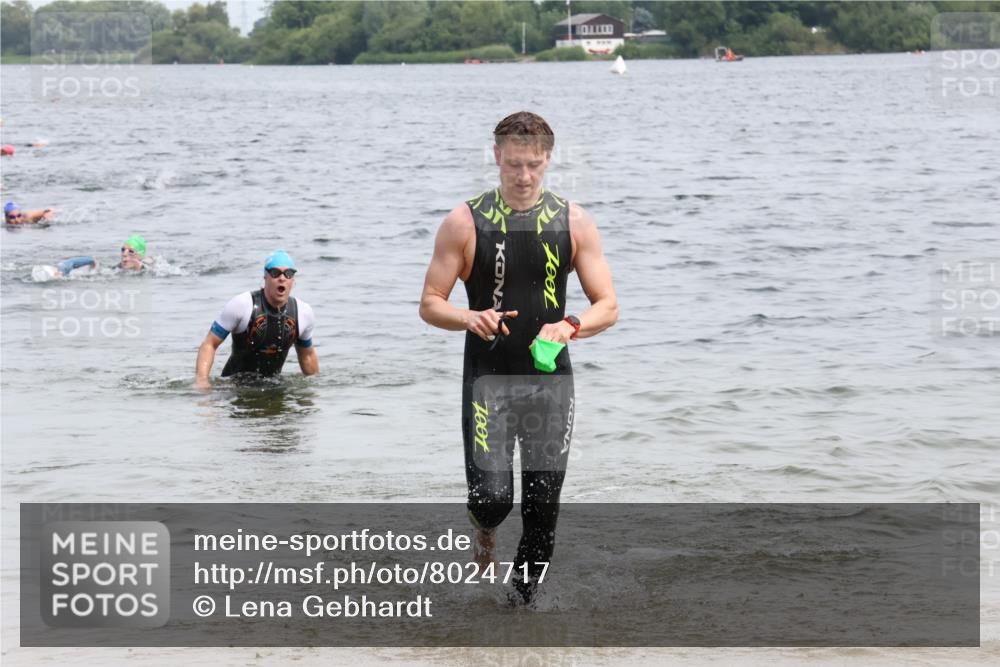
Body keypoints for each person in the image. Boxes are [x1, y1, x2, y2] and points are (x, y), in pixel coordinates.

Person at [418, 111, 619, 605]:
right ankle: (483, 530)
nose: (524, 177)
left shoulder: (574, 222)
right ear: (497, 158)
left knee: (543, 510)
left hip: (551, 382)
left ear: (548, 159)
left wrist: (570, 325)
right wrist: (469, 318)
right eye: (513, 165)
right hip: (488, 379)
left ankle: (519, 614)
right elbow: (430, 303)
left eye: (533, 165)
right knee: (493, 501)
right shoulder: (464, 222)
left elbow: (608, 306)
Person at [194, 250, 318, 389]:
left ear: (293, 280)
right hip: (234, 388)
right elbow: (209, 344)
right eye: (275, 273)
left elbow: (307, 355)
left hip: (274, 387)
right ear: (265, 277)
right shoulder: (242, 305)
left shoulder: (303, 312)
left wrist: (315, 392)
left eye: (288, 274)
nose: (282, 278)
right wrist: (202, 381)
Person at [49, 234, 151, 277]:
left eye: (130, 251)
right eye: (123, 250)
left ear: (139, 256)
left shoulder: (149, 269)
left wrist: (139, 266)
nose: (124, 253)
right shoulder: (118, 268)